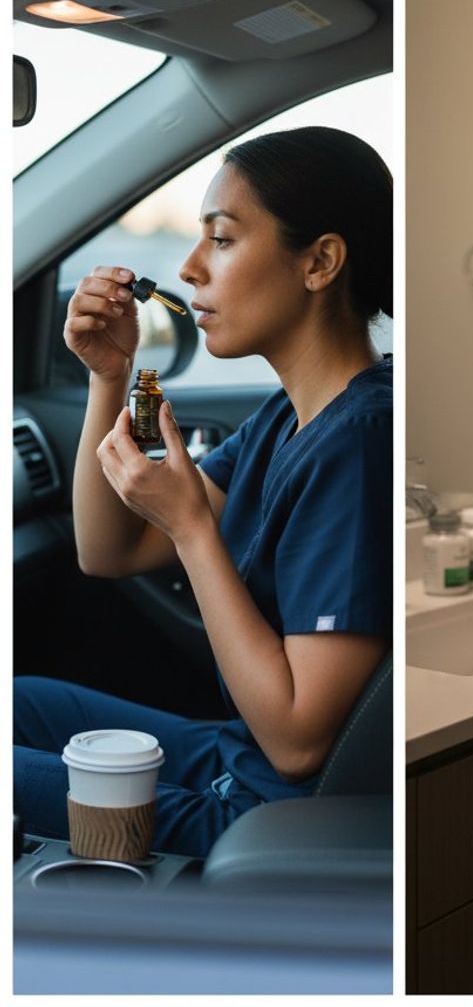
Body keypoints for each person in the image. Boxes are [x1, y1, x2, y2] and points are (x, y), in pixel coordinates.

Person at [15, 126, 393, 860]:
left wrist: (192, 527)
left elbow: (296, 742)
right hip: (232, 759)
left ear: (320, 262)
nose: (188, 269)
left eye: (220, 240)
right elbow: (107, 550)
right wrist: (108, 375)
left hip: (263, 818)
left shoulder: (357, 442)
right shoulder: (289, 416)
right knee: (23, 698)